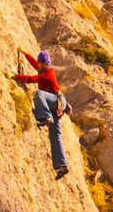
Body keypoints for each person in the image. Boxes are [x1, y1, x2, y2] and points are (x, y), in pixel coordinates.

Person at [7, 47, 70, 180]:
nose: (39, 65)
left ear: (45, 64)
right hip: (57, 107)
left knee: (39, 94)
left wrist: (15, 76)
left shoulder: (46, 76)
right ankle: (62, 166)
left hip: (53, 103)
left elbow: (32, 78)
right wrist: (26, 54)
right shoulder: (46, 69)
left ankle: (46, 116)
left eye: (41, 64)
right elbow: (36, 65)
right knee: (55, 136)